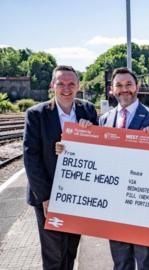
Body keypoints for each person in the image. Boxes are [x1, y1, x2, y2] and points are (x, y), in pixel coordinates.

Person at [23, 65, 98, 270]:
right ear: (52, 86)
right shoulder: (36, 114)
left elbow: (99, 153)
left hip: (77, 195)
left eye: (71, 84)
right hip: (48, 196)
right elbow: (31, 158)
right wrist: (46, 198)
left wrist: (91, 134)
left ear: (78, 86)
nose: (66, 88)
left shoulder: (88, 110)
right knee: (54, 255)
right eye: (61, 83)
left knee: (70, 251)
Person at [100, 67, 149, 270]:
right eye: (118, 85)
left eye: (128, 84)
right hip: (114, 204)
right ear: (112, 90)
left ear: (137, 86)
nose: (124, 89)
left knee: (146, 262)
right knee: (120, 263)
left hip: (143, 204)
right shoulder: (104, 120)